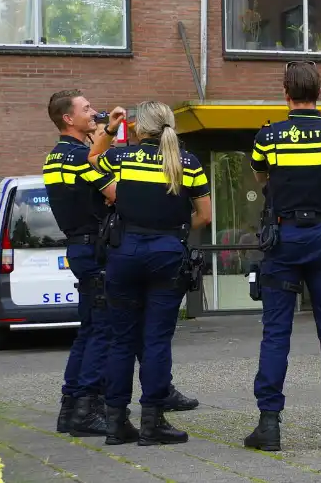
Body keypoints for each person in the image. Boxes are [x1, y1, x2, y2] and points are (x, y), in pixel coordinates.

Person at [241, 61, 321, 451]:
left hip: (284, 235)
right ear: (319, 92)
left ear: (286, 93)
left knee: (277, 331)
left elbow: (261, 178)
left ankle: (269, 424)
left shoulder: (269, 136)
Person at [86, 101, 211, 446]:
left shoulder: (123, 158)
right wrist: (178, 231)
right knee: (156, 339)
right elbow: (205, 215)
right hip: (167, 254)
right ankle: (153, 422)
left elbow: (94, 158)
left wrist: (110, 129)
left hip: (124, 253)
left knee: (122, 339)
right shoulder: (187, 163)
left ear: (139, 128)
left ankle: (115, 423)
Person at [44, 91, 117, 437]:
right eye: (86, 109)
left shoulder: (54, 157)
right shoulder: (79, 157)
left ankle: (70, 406)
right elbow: (115, 193)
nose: (93, 112)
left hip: (78, 246)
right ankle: (89, 408)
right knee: (102, 330)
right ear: (68, 119)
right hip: (95, 248)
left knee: (88, 329)